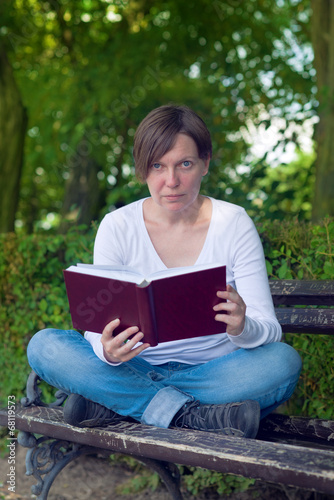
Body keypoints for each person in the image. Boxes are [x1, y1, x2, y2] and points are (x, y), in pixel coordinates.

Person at [27, 104, 302, 438]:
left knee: (282, 363)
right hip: (134, 367)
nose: (171, 181)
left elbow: (270, 330)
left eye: (185, 164)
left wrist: (243, 326)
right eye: (158, 166)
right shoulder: (118, 226)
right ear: (143, 170)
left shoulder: (233, 223)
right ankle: (195, 416)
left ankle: (119, 405)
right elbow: (97, 330)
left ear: (205, 163)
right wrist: (108, 352)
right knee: (44, 346)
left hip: (216, 372)